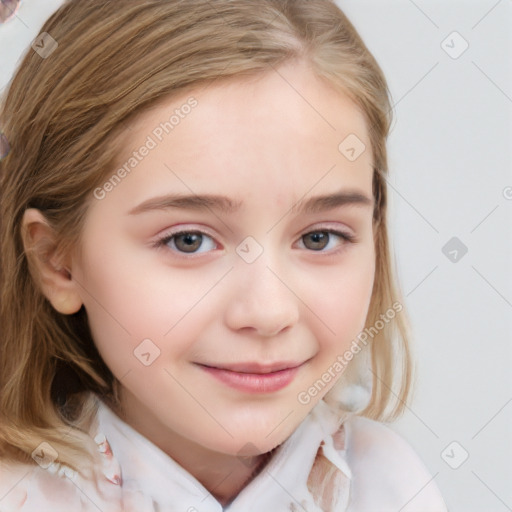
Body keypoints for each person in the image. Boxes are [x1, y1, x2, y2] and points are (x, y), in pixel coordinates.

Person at [0, 1, 448, 510]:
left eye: (320, 238)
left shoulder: (389, 486)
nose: (269, 312)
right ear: (58, 261)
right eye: (188, 240)